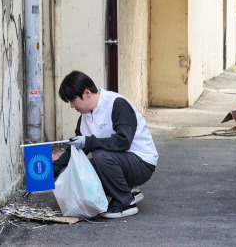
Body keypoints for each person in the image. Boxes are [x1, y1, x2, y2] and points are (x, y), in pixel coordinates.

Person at [52, 71, 158, 219]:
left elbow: (124, 141)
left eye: (73, 100)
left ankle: (125, 203)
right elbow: (74, 151)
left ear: (87, 93)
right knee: (81, 170)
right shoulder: (84, 118)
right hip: (122, 163)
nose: (71, 105)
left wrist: (90, 142)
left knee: (101, 156)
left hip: (142, 163)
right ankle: (128, 190)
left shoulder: (117, 104)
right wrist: (52, 171)